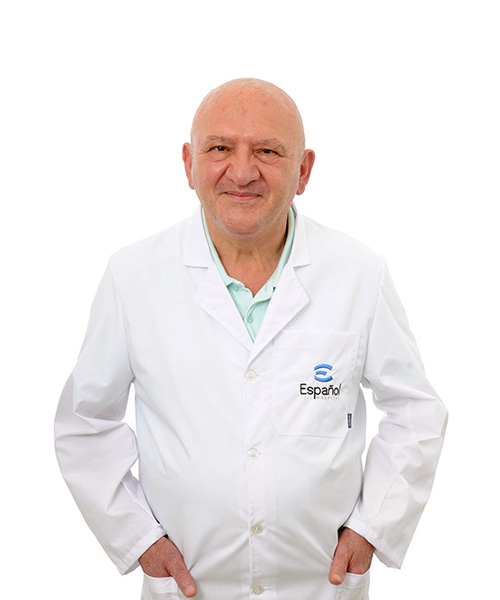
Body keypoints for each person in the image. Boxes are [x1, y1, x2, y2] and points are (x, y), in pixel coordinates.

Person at [55, 78, 447, 600]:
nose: (241, 172)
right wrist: (138, 539)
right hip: (189, 585)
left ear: (303, 170)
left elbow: (416, 410)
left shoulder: (358, 273)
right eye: (219, 149)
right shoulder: (133, 277)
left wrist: (373, 527)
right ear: (189, 164)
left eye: (267, 151)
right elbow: (84, 422)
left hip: (320, 584)